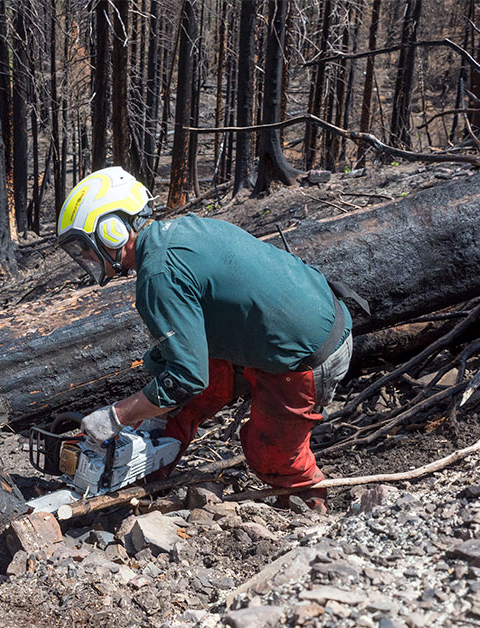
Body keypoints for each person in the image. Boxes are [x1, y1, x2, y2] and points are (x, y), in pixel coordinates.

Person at [57, 166, 356, 513]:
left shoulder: (158, 274)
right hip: (288, 330)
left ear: (111, 230)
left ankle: (312, 507)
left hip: (305, 355)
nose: (86, 259)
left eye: (85, 247)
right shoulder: (176, 233)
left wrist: (115, 417)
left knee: (268, 452)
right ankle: (145, 476)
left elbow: (187, 378)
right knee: (174, 395)